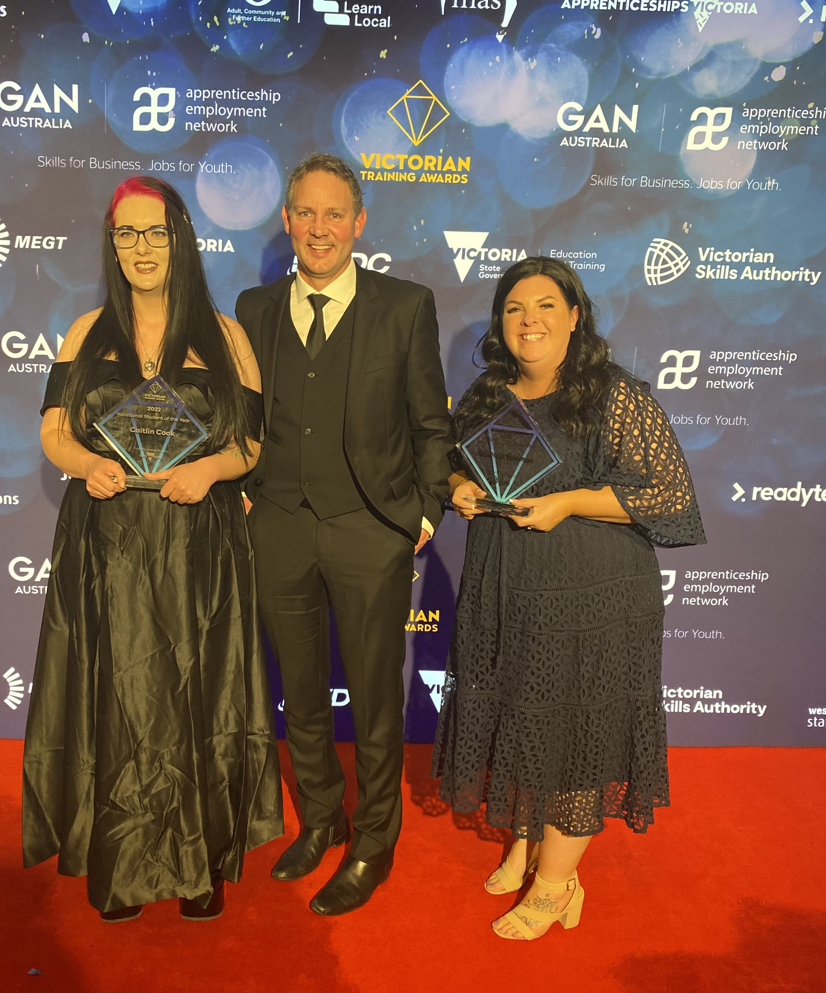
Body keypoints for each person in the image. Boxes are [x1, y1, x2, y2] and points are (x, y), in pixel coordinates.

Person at [22, 176, 282, 923]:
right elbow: (53, 432)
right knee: (115, 697)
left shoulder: (226, 336)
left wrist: (208, 467)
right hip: (107, 544)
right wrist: (84, 463)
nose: (141, 248)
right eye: (127, 234)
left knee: (198, 696)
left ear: (180, 240)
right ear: (113, 244)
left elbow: (250, 442)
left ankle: (197, 862)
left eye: (155, 232)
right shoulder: (85, 332)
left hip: (197, 545)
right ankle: (121, 857)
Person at [433, 257, 705, 940]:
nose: (530, 320)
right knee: (526, 714)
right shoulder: (488, 393)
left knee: (577, 728)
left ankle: (555, 885)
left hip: (593, 597)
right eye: (516, 307)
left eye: (547, 305)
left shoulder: (613, 395)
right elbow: (456, 461)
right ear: (501, 321)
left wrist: (573, 501)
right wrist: (458, 486)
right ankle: (532, 837)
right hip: (508, 588)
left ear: (575, 315)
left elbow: (670, 496)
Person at [235, 154, 453, 916]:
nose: (320, 228)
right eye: (306, 213)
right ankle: (322, 817)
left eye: (335, 214)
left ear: (359, 224)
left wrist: (421, 515)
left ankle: (373, 839)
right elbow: (243, 419)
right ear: (287, 221)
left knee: (374, 696)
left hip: (372, 528)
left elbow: (432, 422)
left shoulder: (405, 305)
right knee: (298, 690)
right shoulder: (254, 309)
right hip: (281, 527)